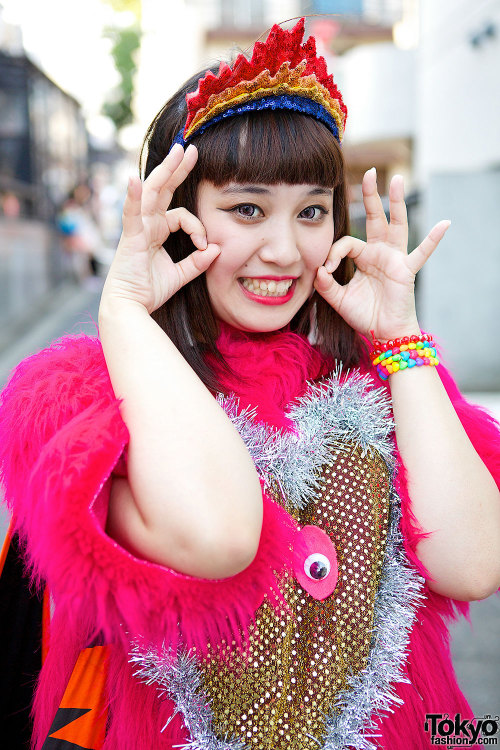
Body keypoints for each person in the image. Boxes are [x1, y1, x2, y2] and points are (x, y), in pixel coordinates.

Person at [1, 18, 499, 750]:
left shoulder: (383, 374)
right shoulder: (77, 393)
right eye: (246, 208)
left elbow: (473, 563)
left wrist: (400, 343)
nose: (284, 250)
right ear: (176, 218)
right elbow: (221, 535)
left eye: (310, 212)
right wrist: (126, 310)